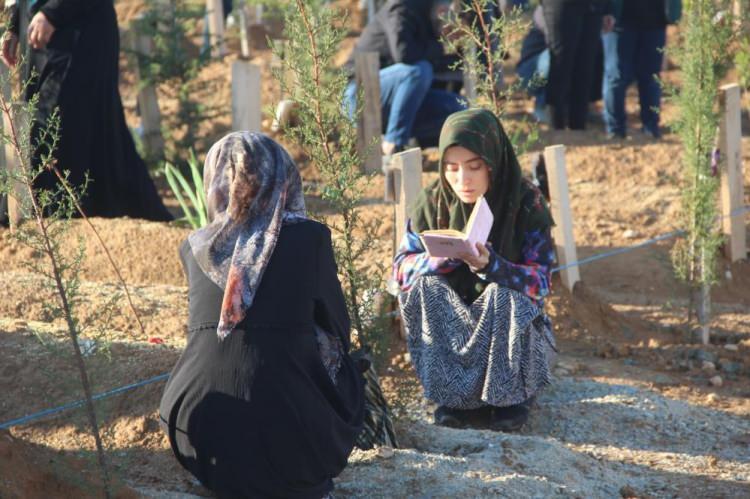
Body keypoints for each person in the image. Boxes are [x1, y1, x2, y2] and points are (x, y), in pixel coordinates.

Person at [159, 132, 365, 498]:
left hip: (194, 430)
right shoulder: (309, 240)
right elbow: (337, 328)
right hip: (292, 438)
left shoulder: (193, 247)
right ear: (282, 177)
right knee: (345, 366)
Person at [393, 109, 557, 432]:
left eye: (474, 167)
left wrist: (493, 266)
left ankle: (510, 399)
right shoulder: (432, 204)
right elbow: (399, 270)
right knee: (425, 287)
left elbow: (542, 281)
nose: (462, 180)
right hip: (455, 325)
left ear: (492, 163)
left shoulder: (526, 202)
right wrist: (435, 262)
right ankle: (453, 398)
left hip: (506, 328)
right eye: (451, 168)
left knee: (504, 292)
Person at [1, 0, 171, 221]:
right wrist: (15, 25)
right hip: (40, 28)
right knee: (50, 120)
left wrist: (52, 12)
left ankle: (56, 220)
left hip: (80, 28)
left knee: (57, 125)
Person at [344, 0, 466, 158]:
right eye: (450, 30)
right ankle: (394, 144)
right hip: (359, 94)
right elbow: (404, 53)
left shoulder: (433, 25)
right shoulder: (401, 7)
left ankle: (415, 145)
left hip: (394, 102)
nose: (451, 36)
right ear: (442, 11)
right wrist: (442, 47)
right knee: (418, 71)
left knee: (458, 107)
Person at [602, 0, 681, 139]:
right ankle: (615, 129)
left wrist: (674, 12)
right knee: (616, 77)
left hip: (655, 21)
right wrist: (607, 10)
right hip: (620, 21)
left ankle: (651, 127)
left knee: (651, 78)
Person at [541, 0, 614, 130]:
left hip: (593, 7)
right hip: (561, 5)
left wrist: (607, 9)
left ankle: (578, 124)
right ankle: (556, 124)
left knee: (586, 64)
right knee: (561, 61)